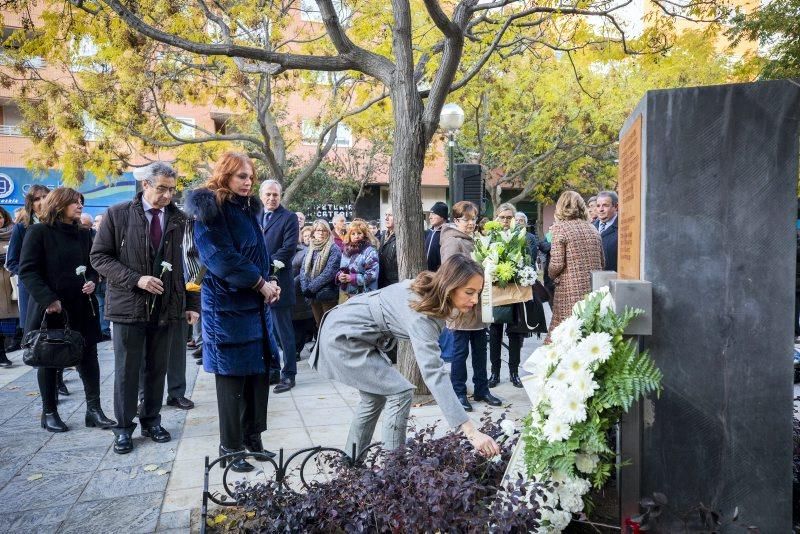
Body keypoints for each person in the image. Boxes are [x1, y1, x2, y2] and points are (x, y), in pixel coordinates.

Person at [310, 254, 501, 458]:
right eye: (469, 292)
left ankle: (351, 464)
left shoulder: (428, 290)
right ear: (449, 286)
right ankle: (394, 470)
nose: (474, 300)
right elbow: (434, 374)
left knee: (373, 399)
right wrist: (471, 433)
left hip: (351, 330)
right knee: (400, 393)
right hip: (343, 336)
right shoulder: (422, 316)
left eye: (478, 293)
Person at [91, 162, 200, 454]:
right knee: (127, 371)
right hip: (128, 307)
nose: (167, 195)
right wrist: (136, 279)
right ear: (146, 186)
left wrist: (191, 303)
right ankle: (124, 428)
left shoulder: (179, 219)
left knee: (157, 369)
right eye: (162, 188)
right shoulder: (118, 214)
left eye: (172, 190)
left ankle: (151, 420)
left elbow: (187, 265)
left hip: (166, 307)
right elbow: (99, 257)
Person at [185, 151, 281, 472]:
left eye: (251, 176)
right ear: (225, 174)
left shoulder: (247, 209)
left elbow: (258, 254)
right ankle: (230, 447)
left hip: (254, 306)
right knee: (232, 382)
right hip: (226, 310)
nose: (248, 181)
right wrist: (259, 283)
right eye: (242, 176)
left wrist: (270, 281)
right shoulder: (210, 210)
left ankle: (253, 439)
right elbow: (220, 258)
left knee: (257, 376)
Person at [19, 187, 115, 432]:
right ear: (59, 204)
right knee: (50, 359)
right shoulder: (38, 232)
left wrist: (94, 280)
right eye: (74, 202)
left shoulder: (84, 234)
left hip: (82, 306)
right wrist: (48, 299)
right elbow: (28, 271)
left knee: (89, 358)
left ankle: (94, 411)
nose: (80, 205)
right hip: (51, 308)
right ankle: (49, 412)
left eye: (80, 201)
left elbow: (93, 265)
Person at [439, 201, 501, 411]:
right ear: (456, 220)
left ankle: (482, 389)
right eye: (466, 219)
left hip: (478, 303)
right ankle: (458, 392)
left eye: (473, 218)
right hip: (462, 305)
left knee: (480, 350)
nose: (471, 223)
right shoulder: (451, 240)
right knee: (459, 352)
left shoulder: (475, 239)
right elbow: (450, 273)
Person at [259, 180, 299, 394]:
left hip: (278, 281)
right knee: (266, 333)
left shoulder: (289, 218)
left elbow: (288, 249)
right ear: (261, 195)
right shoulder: (254, 216)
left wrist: (267, 270)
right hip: (257, 284)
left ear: (280, 196)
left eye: (275, 195)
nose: (272, 198)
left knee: (284, 333)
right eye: (268, 194)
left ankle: (289, 374)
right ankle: (273, 370)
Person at [548, 191, 604, 337]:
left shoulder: (560, 228)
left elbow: (557, 264)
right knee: (587, 333)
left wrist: (551, 275)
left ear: (561, 206)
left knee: (565, 335)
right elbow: (602, 262)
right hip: (592, 290)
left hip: (569, 290)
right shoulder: (593, 228)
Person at [6, 185, 50, 352]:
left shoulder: (59, 224)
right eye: (36, 199)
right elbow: (12, 262)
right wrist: (31, 276)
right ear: (30, 204)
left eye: (45, 197)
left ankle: (58, 371)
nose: (42, 202)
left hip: (57, 285)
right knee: (36, 335)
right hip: (32, 289)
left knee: (59, 330)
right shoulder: (22, 227)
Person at [488, 203, 525, 388]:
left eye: (509, 218)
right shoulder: (490, 236)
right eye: (502, 217)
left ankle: (514, 373)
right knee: (495, 334)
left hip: (515, 292)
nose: (505, 221)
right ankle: (494, 373)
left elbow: (528, 260)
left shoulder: (522, 236)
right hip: (496, 292)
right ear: (497, 217)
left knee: (515, 334)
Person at [300, 219, 342, 327]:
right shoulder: (311, 248)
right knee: (319, 324)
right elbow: (304, 270)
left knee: (329, 325)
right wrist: (305, 288)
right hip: (312, 295)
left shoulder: (334, 248)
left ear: (328, 232)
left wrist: (311, 288)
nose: (321, 233)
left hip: (327, 293)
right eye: (318, 230)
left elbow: (330, 272)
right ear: (313, 232)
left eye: (324, 230)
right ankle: (320, 344)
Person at [337, 220, 379, 300]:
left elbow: (372, 275)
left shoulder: (370, 251)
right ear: (349, 235)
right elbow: (341, 269)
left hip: (364, 295)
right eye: (353, 234)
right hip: (346, 294)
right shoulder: (346, 250)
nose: (356, 236)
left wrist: (352, 278)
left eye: (359, 233)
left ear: (364, 235)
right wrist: (340, 276)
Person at [292, 225, 316, 359]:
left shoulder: (305, 251)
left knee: (299, 324)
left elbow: (305, 273)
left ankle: (296, 350)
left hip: (299, 295)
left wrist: (289, 283)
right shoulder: (278, 250)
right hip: (283, 293)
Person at [0, 206, 18, 367]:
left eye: (0, 216)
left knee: (9, 321)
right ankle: (1, 355)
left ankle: (8, 348)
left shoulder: (13, 234)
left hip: (10, 284)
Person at [593, 191, 618, 272]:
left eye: (605, 205)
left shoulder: (624, 228)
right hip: (594, 279)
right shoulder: (590, 227)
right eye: (598, 206)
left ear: (616, 206)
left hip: (614, 280)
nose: (601, 209)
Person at [424, 201, 448, 272]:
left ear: (442, 216)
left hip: (439, 275)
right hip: (426, 273)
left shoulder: (447, 233)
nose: (430, 217)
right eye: (430, 214)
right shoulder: (428, 232)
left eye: (433, 214)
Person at [378, 210, 398, 289]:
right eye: (385, 215)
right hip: (382, 282)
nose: (386, 218)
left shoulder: (401, 237)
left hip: (393, 284)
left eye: (390, 215)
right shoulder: (383, 235)